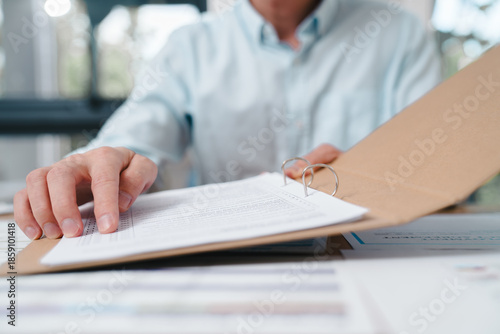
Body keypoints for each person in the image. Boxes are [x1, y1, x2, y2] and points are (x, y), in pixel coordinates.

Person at [14, 0, 441, 240]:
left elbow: (435, 160)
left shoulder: (400, 34)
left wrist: (376, 172)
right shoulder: (191, 47)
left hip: (374, 251)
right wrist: (98, 164)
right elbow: (137, 136)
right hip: (228, 264)